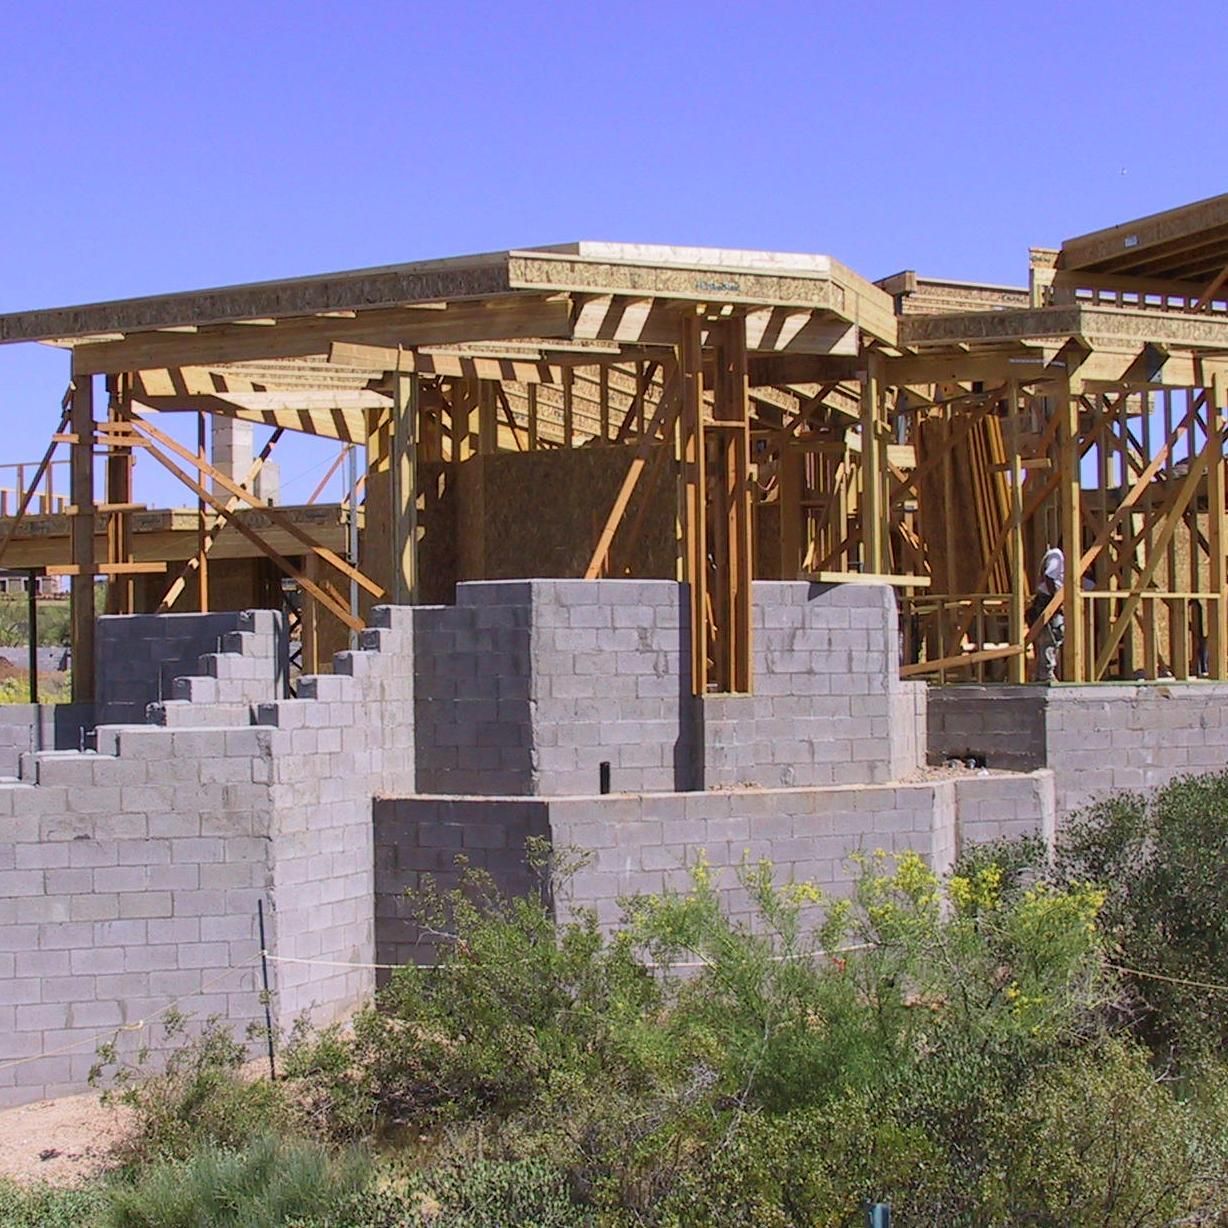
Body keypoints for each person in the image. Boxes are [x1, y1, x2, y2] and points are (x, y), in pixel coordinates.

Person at [1028, 543, 1065, 683]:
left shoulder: (1063, 558)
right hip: (1047, 600)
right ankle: (1045, 675)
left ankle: (1045, 673)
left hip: (1051, 599)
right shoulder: (1057, 555)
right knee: (1049, 637)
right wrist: (1056, 600)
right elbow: (1049, 577)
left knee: (1055, 636)